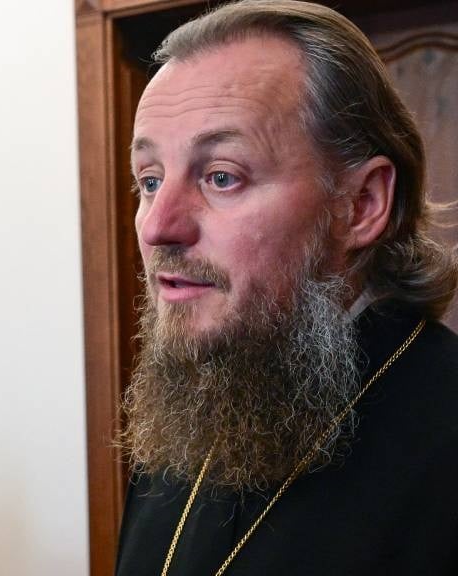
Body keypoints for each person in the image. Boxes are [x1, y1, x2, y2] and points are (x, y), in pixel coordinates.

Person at [116, 1, 458, 574]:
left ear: (362, 204)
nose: (157, 226)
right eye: (149, 181)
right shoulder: (191, 415)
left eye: (222, 176)